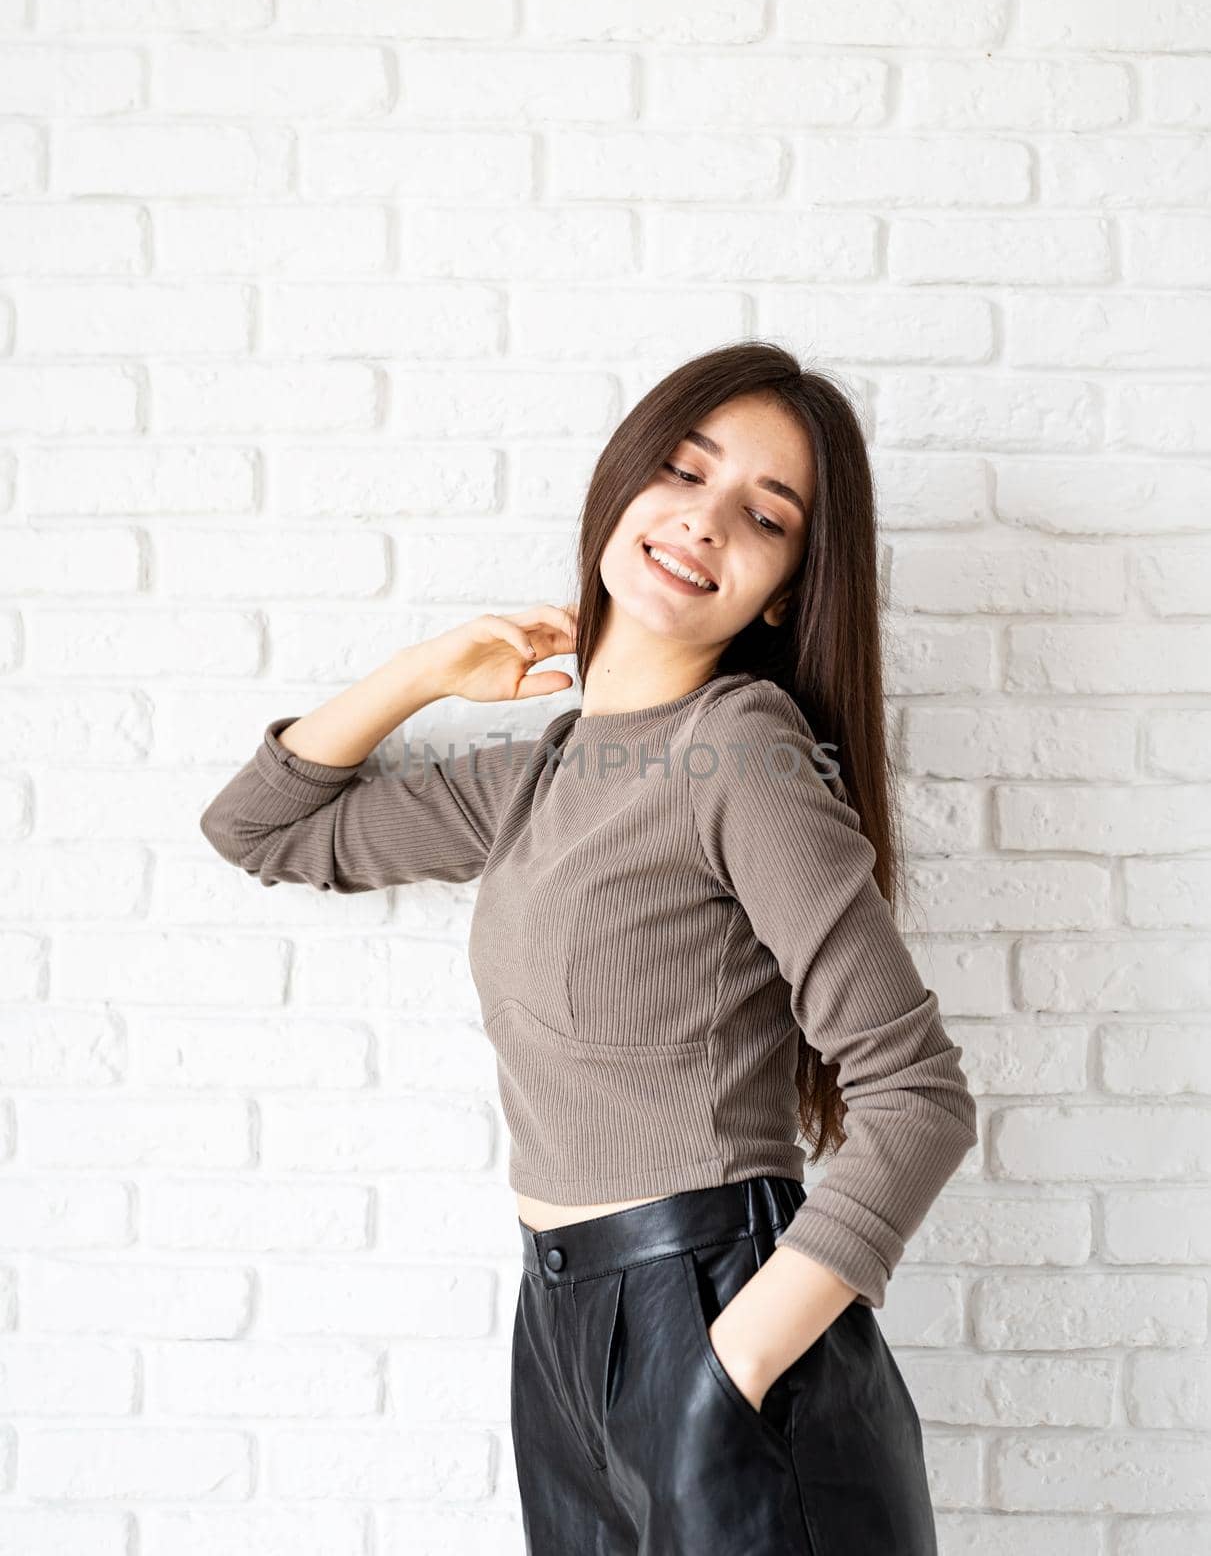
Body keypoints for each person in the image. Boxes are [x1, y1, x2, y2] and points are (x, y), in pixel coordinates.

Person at [199, 340, 979, 1554]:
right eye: (681, 469)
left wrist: (726, 1365)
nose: (704, 521)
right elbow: (260, 828)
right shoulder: (544, 776)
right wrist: (431, 670)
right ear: (622, 486)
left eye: (762, 516)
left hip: (710, 1313)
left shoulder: (740, 750)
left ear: (780, 589)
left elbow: (916, 1096)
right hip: (561, 1329)